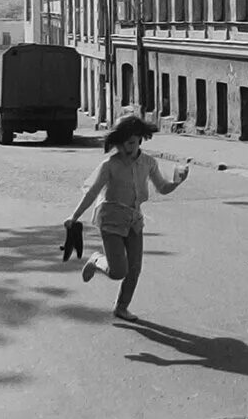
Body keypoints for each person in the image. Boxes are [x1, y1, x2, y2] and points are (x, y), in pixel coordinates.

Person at [64, 113, 189, 322]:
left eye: (131, 143)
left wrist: (177, 182)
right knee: (117, 271)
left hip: (133, 220)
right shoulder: (110, 165)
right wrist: (74, 216)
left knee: (134, 269)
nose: (127, 149)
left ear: (140, 138)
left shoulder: (148, 163)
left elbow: (162, 187)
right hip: (110, 219)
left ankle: (121, 308)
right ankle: (96, 260)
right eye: (122, 145)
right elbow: (92, 192)